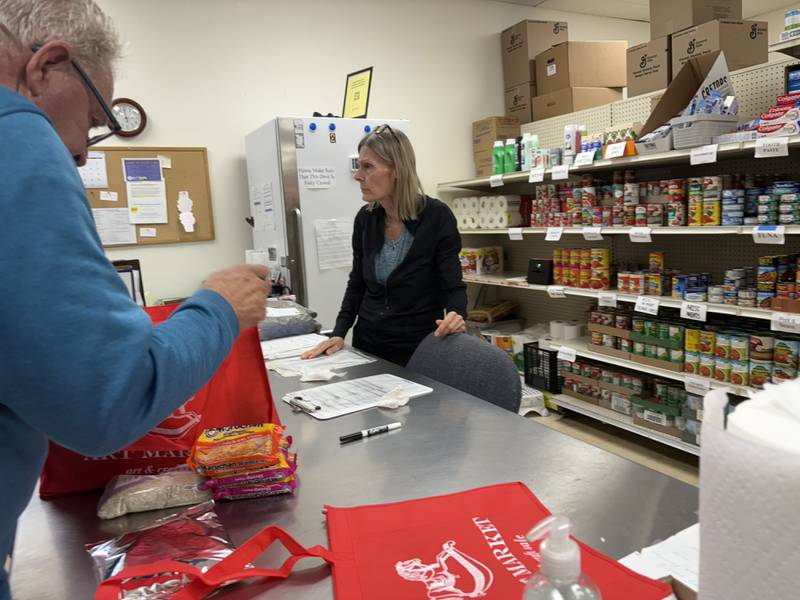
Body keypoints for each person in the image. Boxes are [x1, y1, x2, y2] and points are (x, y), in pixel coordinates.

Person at [0, 2, 268, 597]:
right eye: (95, 120)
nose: (85, 152)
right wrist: (218, 305)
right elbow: (109, 398)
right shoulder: (18, 137)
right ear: (47, 66)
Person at [303, 125, 467, 366]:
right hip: (368, 345)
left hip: (418, 351)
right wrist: (338, 333)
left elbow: (453, 285)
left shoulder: (437, 217)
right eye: (359, 166)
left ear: (397, 169)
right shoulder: (365, 219)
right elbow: (357, 283)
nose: (358, 176)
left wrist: (457, 315)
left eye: (367, 166)